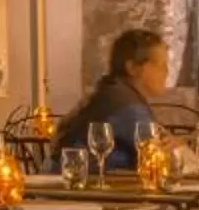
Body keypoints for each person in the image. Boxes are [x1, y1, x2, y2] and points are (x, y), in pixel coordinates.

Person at [57, 29, 167, 170]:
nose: (166, 71)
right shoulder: (127, 107)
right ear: (132, 67)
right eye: (160, 65)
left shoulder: (110, 91)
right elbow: (160, 160)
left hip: (69, 182)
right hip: (78, 185)